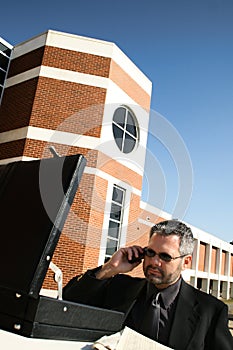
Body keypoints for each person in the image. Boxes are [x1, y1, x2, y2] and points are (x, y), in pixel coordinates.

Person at [63, 219, 233, 349]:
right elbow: (67, 304)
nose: (154, 262)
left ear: (186, 261)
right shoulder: (119, 287)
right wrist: (108, 269)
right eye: (150, 252)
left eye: (165, 256)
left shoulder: (210, 311)